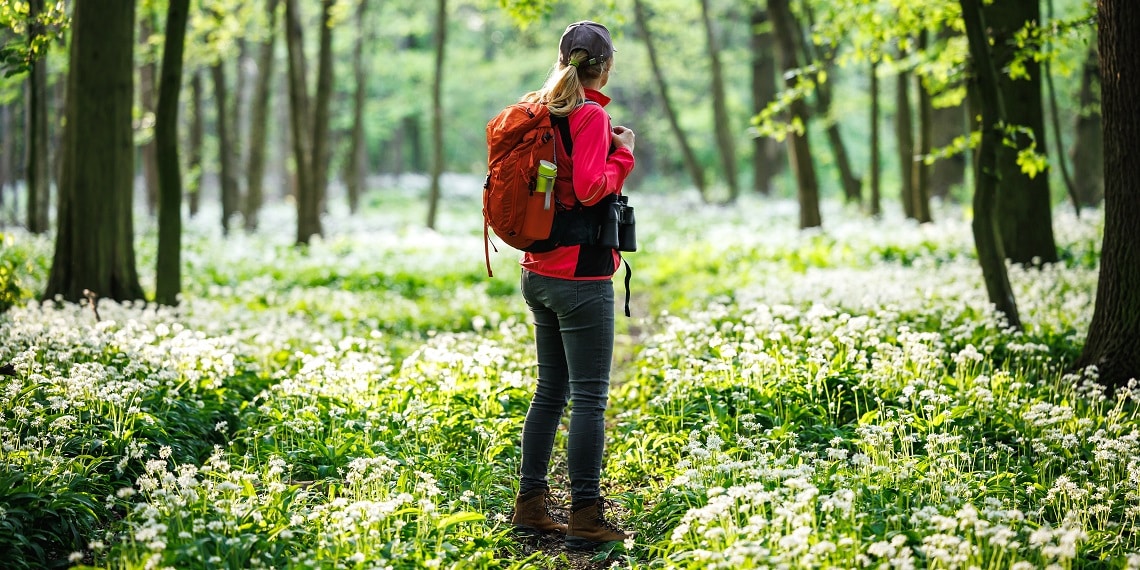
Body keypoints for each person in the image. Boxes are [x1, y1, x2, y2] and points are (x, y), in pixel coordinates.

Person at [508, 20, 636, 550]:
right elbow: (588, 189)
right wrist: (622, 154)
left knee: (549, 392)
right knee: (588, 398)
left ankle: (531, 504)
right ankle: (585, 514)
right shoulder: (587, 115)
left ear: (563, 61)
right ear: (604, 67)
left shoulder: (540, 108)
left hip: (537, 270)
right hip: (580, 276)